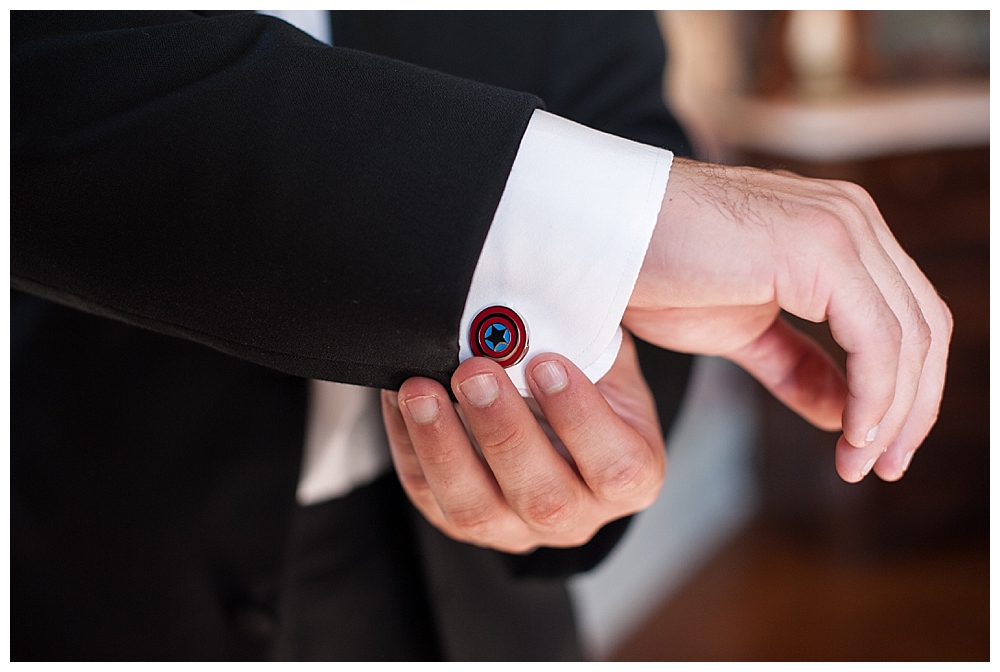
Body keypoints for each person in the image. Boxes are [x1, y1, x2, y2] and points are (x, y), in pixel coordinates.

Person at [11, 10, 951, 661]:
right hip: (67, 583)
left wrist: (592, 450)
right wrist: (623, 224)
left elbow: (622, 118)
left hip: (474, 612)